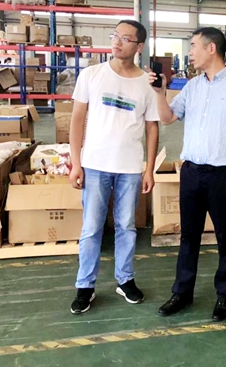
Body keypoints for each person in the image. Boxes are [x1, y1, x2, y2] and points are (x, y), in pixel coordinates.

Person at [150, 27, 226, 321]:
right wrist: (159, 92)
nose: (190, 53)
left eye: (194, 46)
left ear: (212, 49)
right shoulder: (193, 87)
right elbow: (168, 118)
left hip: (223, 174)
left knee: (225, 236)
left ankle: (225, 294)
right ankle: (182, 292)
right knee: (189, 235)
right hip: (191, 173)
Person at [69, 19, 159, 315]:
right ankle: (85, 286)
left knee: (127, 227)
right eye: (115, 36)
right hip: (94, 165)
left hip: (130, 168)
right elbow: (77, 120)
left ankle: (125, 279)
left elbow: (153, 128)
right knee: (91, 228)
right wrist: (76, 162)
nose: (117, 42)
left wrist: (149, 169)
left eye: (125, 38)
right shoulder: (92, 75)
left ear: (139, 46)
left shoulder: (146, 84)